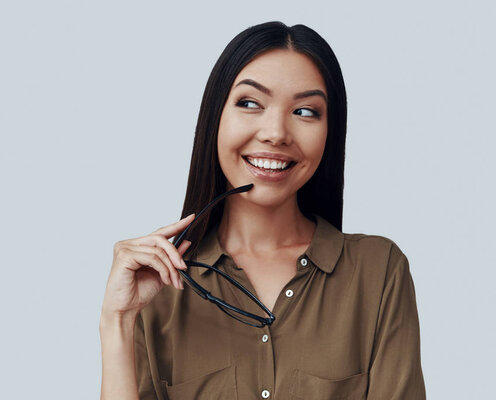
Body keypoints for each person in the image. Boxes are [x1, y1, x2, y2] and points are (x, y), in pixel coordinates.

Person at [100, 21, 426, 400]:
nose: (276, 132)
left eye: (305, 111)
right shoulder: (159, 285)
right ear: (214, 117)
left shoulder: (378, 271)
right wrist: (118, 320)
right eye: (250, 103)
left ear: (329, 133)